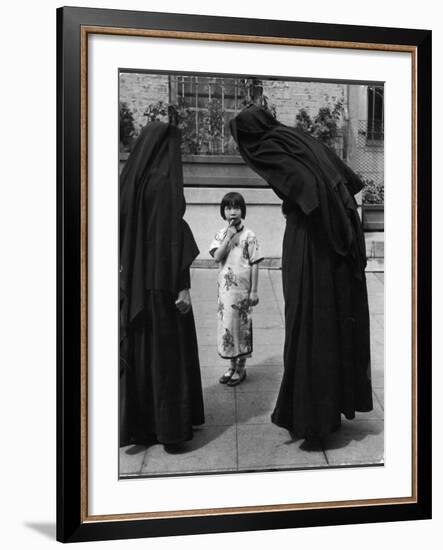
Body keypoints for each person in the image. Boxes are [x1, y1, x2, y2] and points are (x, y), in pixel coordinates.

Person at [230, 105, 373, 442]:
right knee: (327, 319)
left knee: (308, 321)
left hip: (311, 240)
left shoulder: (271, 146)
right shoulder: (296, 137)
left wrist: (303, 212)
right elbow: (339, 181)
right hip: (333, 237)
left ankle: (312, 418)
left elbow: (308, 188)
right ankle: (326, 411)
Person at [119, 120, 204, 448]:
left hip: (139, 285)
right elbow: (171, 236)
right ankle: (171, 429)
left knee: (143, 355)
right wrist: (182, 284)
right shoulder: (165, 181)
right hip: (164, 284)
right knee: (168, 358)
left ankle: (143, 427)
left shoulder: (132, 181)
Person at [209, 192, 264, 386]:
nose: (232, 212)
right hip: (225, 292)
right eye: (228, 208)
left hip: (242, 291)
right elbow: (217, 257)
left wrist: (254, 290)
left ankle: (241, 367)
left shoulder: (249, 235)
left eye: (236, 207)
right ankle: (231, 365)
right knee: (227, 327)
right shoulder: (220, 234)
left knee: (241, 327)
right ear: (223, 211)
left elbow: (255, 263)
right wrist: (229, 237)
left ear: (243, 210)